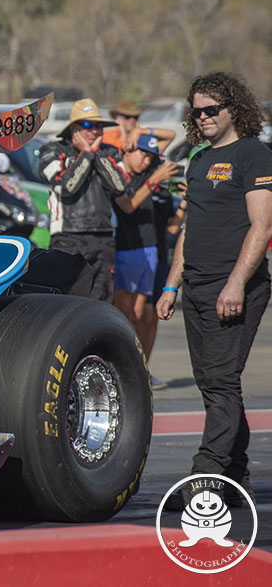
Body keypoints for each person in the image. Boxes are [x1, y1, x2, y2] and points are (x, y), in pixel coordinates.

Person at [157, 72, 272, 507]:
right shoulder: (199, 159)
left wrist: (236, 284)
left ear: (234, 109)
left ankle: (204, 478)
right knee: (212, 385)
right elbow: (191, 227)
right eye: (196, 111)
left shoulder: (254, 155)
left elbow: (262, 226)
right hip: (196, 286)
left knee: (221, 382)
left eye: (211, 109)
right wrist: (171, 285)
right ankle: (235, 479)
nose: (202, 117)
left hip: (235, 287)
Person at [38, 99, 129, 302]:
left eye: (98, 125)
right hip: (67, 237)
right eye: (88, 125)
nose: (94, 131)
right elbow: (67, 187)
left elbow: (120, 186)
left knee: (102, 300)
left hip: (103, 237)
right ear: (74, 128)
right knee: (67, 300)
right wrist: (86, 155)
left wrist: (96, 154)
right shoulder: (52, 151)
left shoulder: (109, 152)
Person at [111, 132, 180, 390]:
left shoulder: (147, 169)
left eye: (151, 156)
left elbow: (169, 136)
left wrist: (139, 132)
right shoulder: (118, 174)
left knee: (143, 314)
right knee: (126, 314)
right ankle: (121, 367)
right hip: (126, 249)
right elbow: (127, 206)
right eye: (142, 154)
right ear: (127, 151)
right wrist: (154, 181)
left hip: (149, 249)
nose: (147, 160)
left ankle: (138, 369)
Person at [106, 100, 177, 154]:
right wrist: (123, 136)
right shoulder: (106, 136)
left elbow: (171, 134)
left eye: (135, 117)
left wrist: (139, 131)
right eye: (127, 117)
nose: (132, 120)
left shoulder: (141, 137)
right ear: (117, 117)